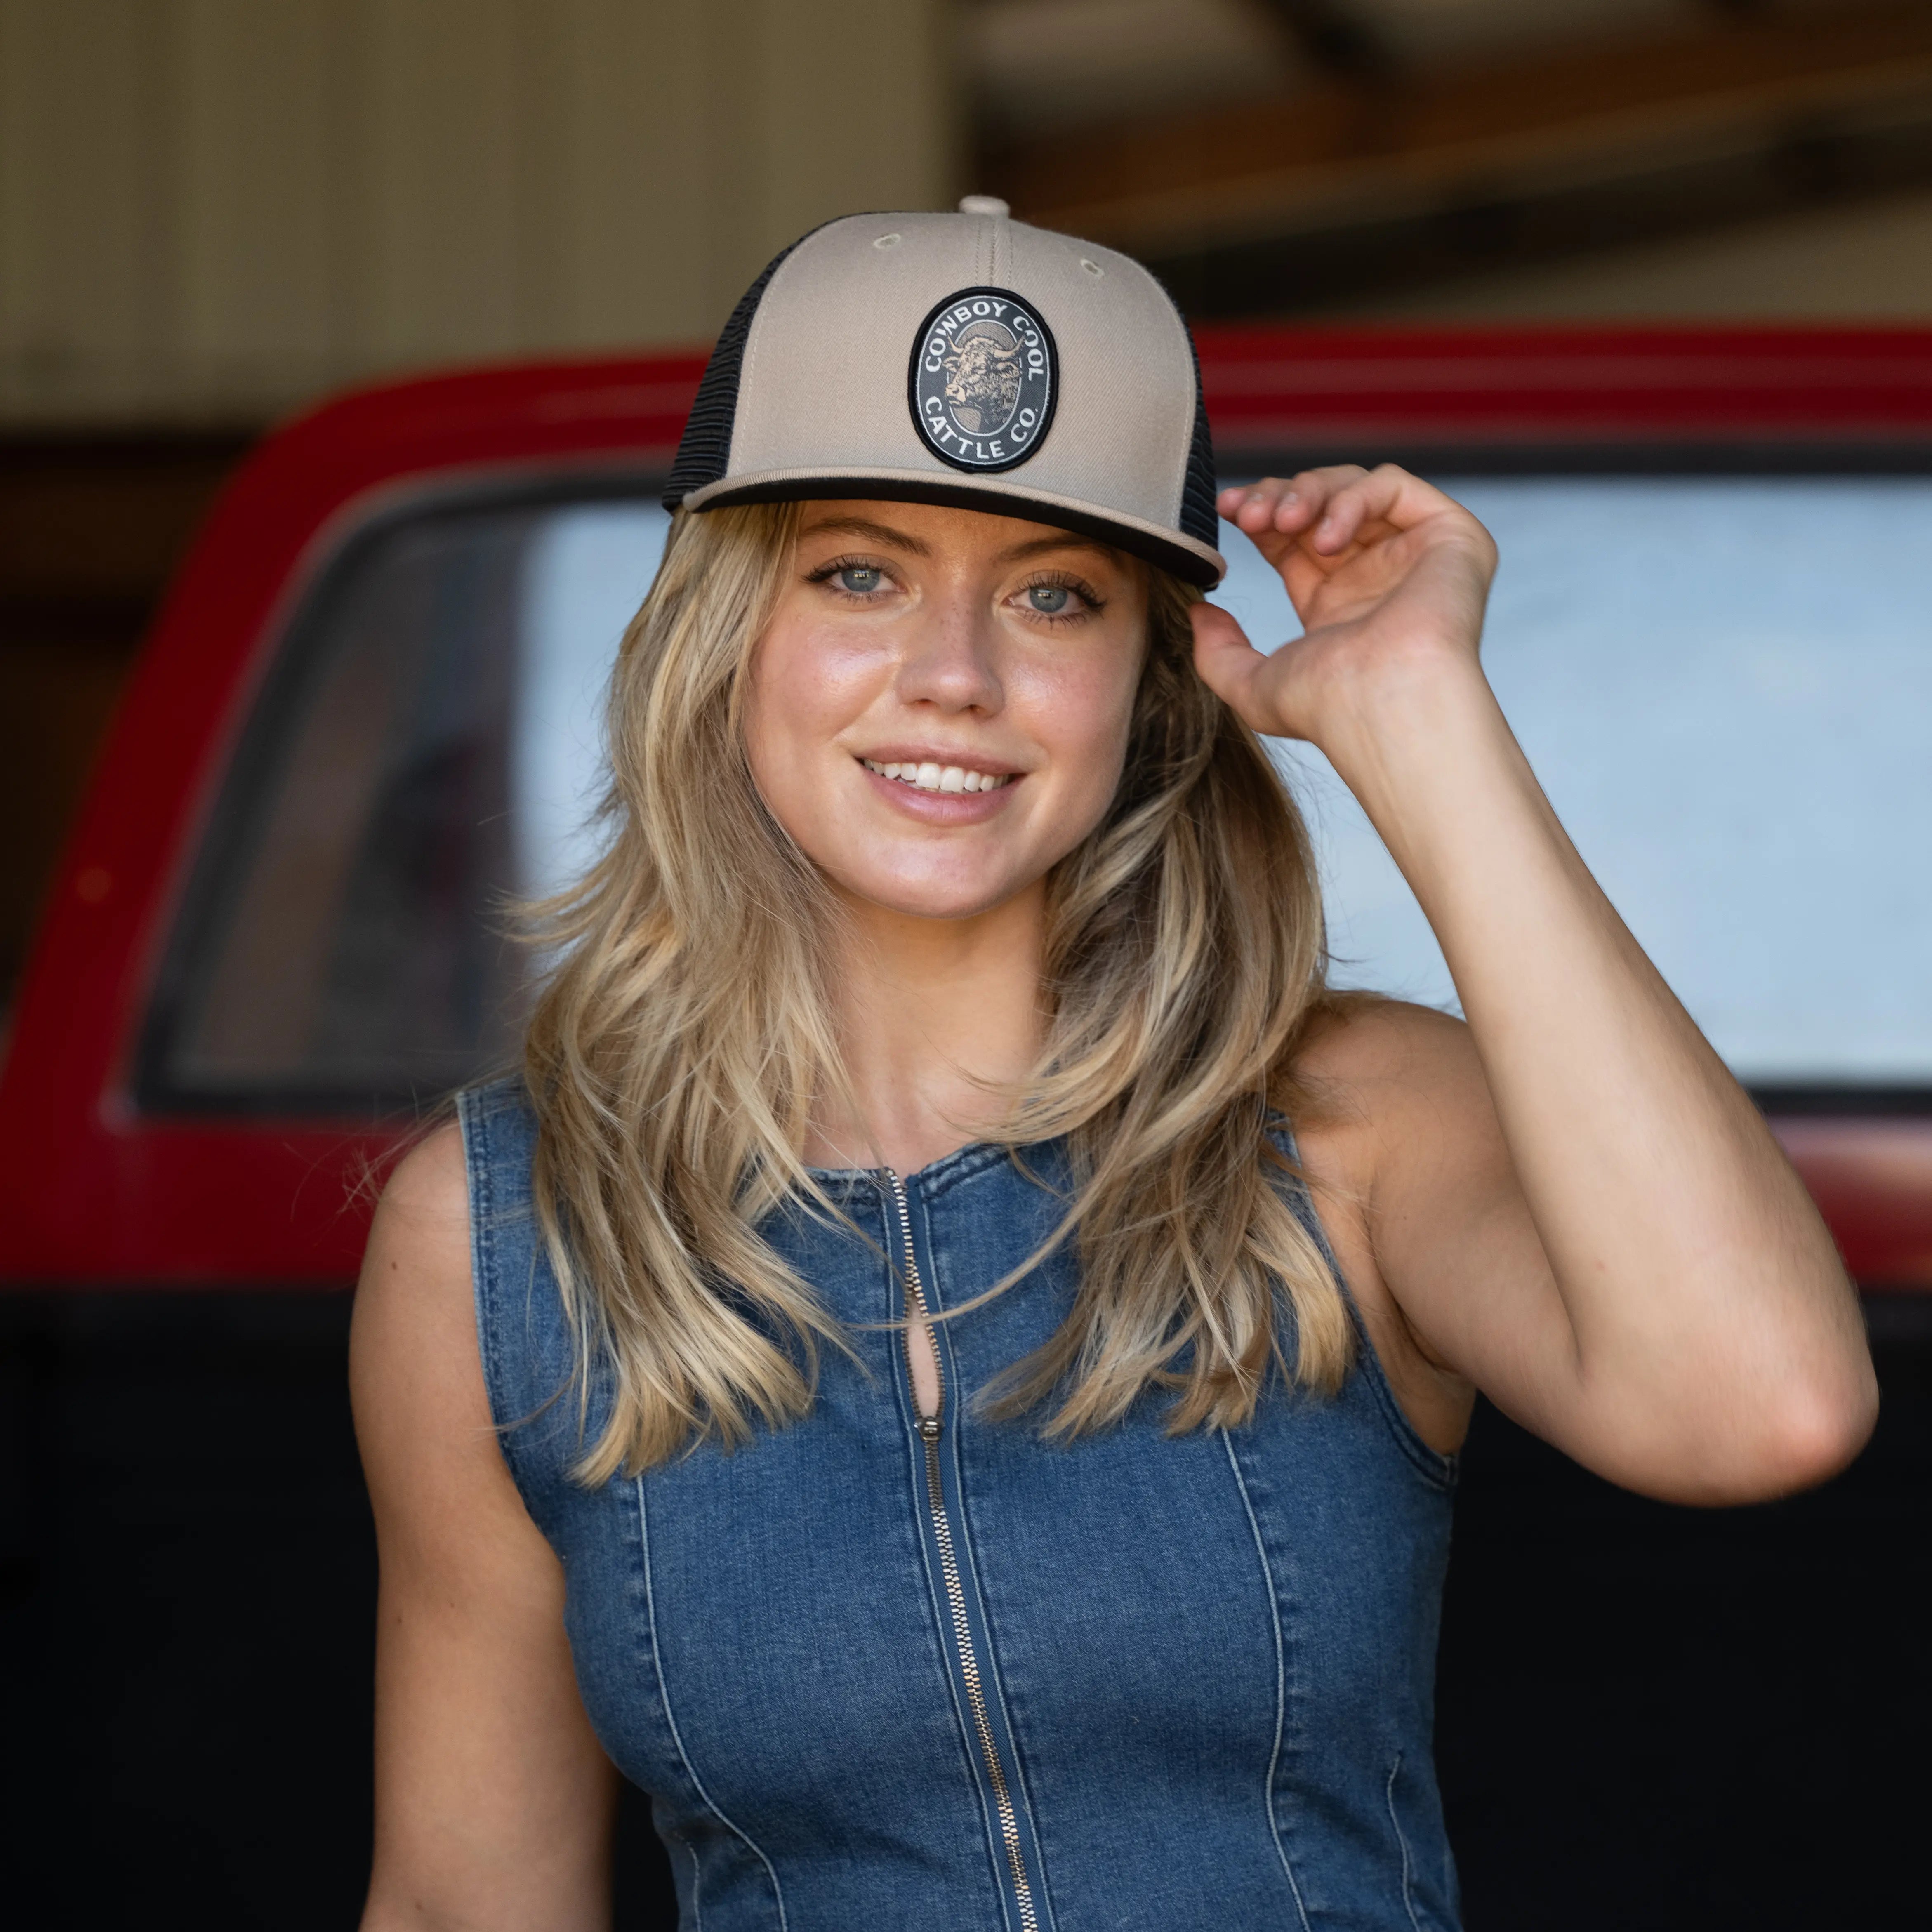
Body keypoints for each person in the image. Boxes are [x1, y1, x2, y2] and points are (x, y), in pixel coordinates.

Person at [351, 202, 1875, 1932]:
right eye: (859, 572)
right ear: (727, 641)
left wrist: (1417, 713)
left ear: (1150, 685)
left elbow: (1761, 1408)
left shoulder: (1349, 1124)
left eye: (1054, 597)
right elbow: (469, 1905)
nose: (954, 677)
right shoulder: (495, 1243)